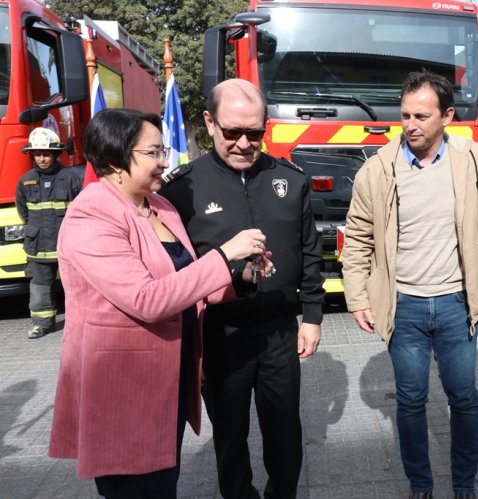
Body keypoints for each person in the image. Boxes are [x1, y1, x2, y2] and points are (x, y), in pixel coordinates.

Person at [48, 108, 273, 498]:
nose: (164, 162)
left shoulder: (160, 207)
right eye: (153, 153)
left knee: (161, 486)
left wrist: (240, 277)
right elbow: (146, 299)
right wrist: (223, 256)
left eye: (162, 150)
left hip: (168, 381)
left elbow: (183, 285)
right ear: (117, 159)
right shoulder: (92, 215)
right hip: (122, 390)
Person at [342, 71, 478, 499]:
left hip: (457, 303)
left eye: (421, 115)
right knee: (411, 402)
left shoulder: (472, 158)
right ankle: (420, 484)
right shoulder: (378, 169)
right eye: (405, 115)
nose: (410, 124)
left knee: (464, 398)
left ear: (447, 116)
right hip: (404, 307)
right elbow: (357, 236)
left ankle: (465, 483)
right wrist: (358, 297)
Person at [159, 78, 324, 499]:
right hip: (220, 334)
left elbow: (309, 252)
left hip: (278, 331)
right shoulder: (182, 189)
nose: (244, 143)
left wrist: (312, 317)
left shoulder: (291, 180)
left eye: (255, 133)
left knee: (285, 431)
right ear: (210, 123)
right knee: (230, 437)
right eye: (233, 132)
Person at [16, 128, 82, 339]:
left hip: (67, 245)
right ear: (32, 155)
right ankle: (42, 324)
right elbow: (23, 212)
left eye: (46, 153)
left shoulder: (70, 179)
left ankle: (81, 323)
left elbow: (81, 210)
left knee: (77, 285)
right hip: (38, 247)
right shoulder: (25, 181)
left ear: (55, 154)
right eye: (37, 154)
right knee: (39, 286)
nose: (42, 158)